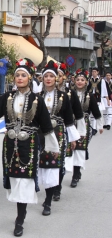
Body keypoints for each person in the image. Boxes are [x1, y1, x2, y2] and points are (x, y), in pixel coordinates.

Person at [0, 58, 59, 237]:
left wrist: (52, 146)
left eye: (23, 75)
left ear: (29, 79)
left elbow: (46, 125)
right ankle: (21, 212)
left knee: (24, 181)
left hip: (30, 144)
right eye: (17, 75)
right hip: (11, 145)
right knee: (15, 180)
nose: (20, 78)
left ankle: (20, 219)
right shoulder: (7, 97)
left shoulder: (37, 99)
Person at [38, 60, 80, 216]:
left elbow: (69, 119)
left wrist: (73, 138)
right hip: (41, 134)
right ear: (42, 79)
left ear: (56, 79)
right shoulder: (37, 96)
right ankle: (50, 190)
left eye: (51, 76)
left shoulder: (63, 96)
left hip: (59, 134)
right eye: (46, 76)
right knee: (43, 166)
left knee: (55, 165)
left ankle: (48, 201)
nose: (48, 78)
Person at [53, 62, 86, 202]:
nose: (56, 78)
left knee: (60, 161)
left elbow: (78, 114)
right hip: (46, 132)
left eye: (59, 76)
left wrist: (79, 133)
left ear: (64, 78)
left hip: (64, 129)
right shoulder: (42, 94)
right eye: (55, 76)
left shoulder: (69, 93)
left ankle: (57, 188)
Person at [70, 68, 103, 188]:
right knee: (70, 148)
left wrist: (100, 125)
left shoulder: (89, 96)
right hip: (71, 124)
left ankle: (76, 173)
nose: (79, 82)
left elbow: (95, 111)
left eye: (82, 80)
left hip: (83, 124)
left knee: (79, 148)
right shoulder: (69, 95)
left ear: (86, 82)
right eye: (77, 79)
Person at [87, 67, 110, 135]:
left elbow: (105, 91)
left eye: (95, 71)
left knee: (96, 113)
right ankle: (91, 127)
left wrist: (107, 100)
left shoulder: (101, 80)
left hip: (97, 98)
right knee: (89, 114)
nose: (93, 73)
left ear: (97, 72)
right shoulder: (89, 80)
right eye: (92, 71)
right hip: (90, 97)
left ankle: (94, 128)